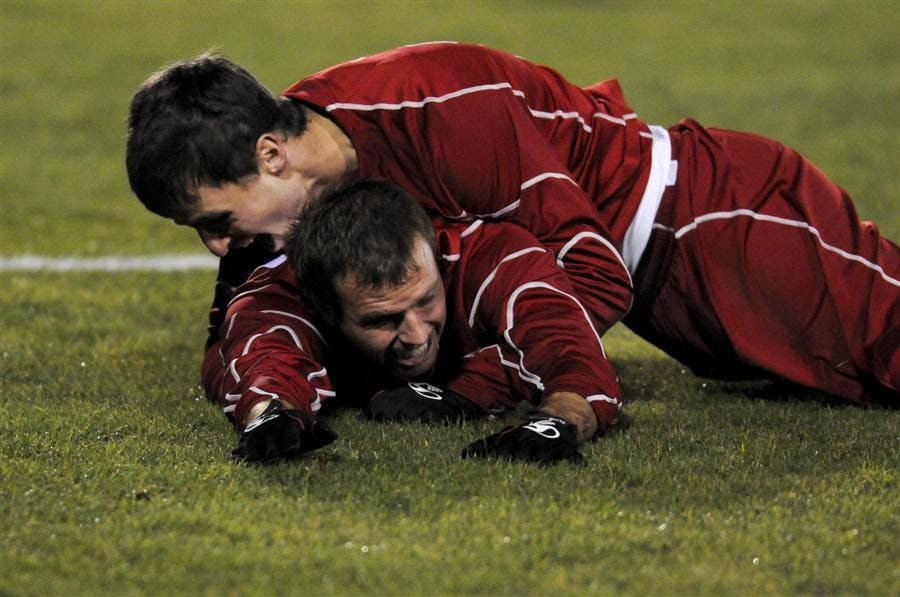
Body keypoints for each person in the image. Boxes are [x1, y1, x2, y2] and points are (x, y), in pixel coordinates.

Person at [126, 41, 898, 409]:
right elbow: (231, 333)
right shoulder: (292, 198)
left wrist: (461, 387)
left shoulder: (440, 105)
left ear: (271, 154)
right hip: (671, 297)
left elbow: (596, 273)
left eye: (217, 221)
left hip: (719, 217)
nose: (220, 246)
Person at [216, 178, 625, 464]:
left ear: (436, 259)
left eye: (426, 300)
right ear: (324, 308)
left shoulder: (497, 259)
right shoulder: (276, 296)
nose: (415, 336)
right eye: (382, 319)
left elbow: (567, 347)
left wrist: (559, 422)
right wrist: (272, 413)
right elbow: (265, 361)